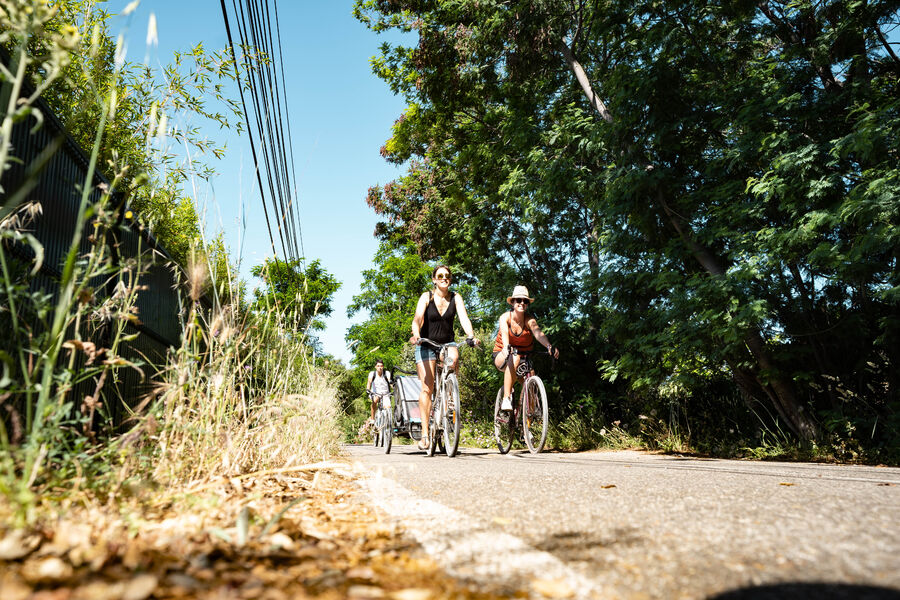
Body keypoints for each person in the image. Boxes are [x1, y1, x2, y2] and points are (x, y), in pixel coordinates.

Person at [410, 265, 480, 450]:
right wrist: (416, 334)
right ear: (434, 279)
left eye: (447, 276)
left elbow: (464, 318)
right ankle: (425, 434)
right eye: (440, 275)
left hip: (447, 343)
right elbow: (417, 318)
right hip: (426, 343)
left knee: (454, 356)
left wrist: (471, 336)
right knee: (427, 387)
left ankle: (450, 397)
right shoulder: (427, 297)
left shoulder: (456, 297)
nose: (444, 278)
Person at [492, 285, 559, 411]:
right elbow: (505, 334)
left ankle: (528, 419)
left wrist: (549, 346)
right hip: (503, 355)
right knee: (515, 357)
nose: (522, 303)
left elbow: (538, 333)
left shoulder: (529, 320)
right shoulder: (505, 317)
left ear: (527, 304)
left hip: (523, 356)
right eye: (518, 300)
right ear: (512, 302)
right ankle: (506, 398)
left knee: (530, 381)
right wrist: (507, 347)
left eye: (525, 301)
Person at [366, 359, 392, 425]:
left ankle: (387, 423)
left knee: (388, 407)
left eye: (381, 366)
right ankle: (372, 419)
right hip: (375, 393)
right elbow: (369, 382)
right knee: (375, 400)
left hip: (385, 393)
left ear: (383, 367)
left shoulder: (387, 373)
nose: (379, 367)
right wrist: (368, 390)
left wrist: (393, 387)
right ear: (375, 367)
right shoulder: (372, 374)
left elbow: (390, 382)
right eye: (378, 366)